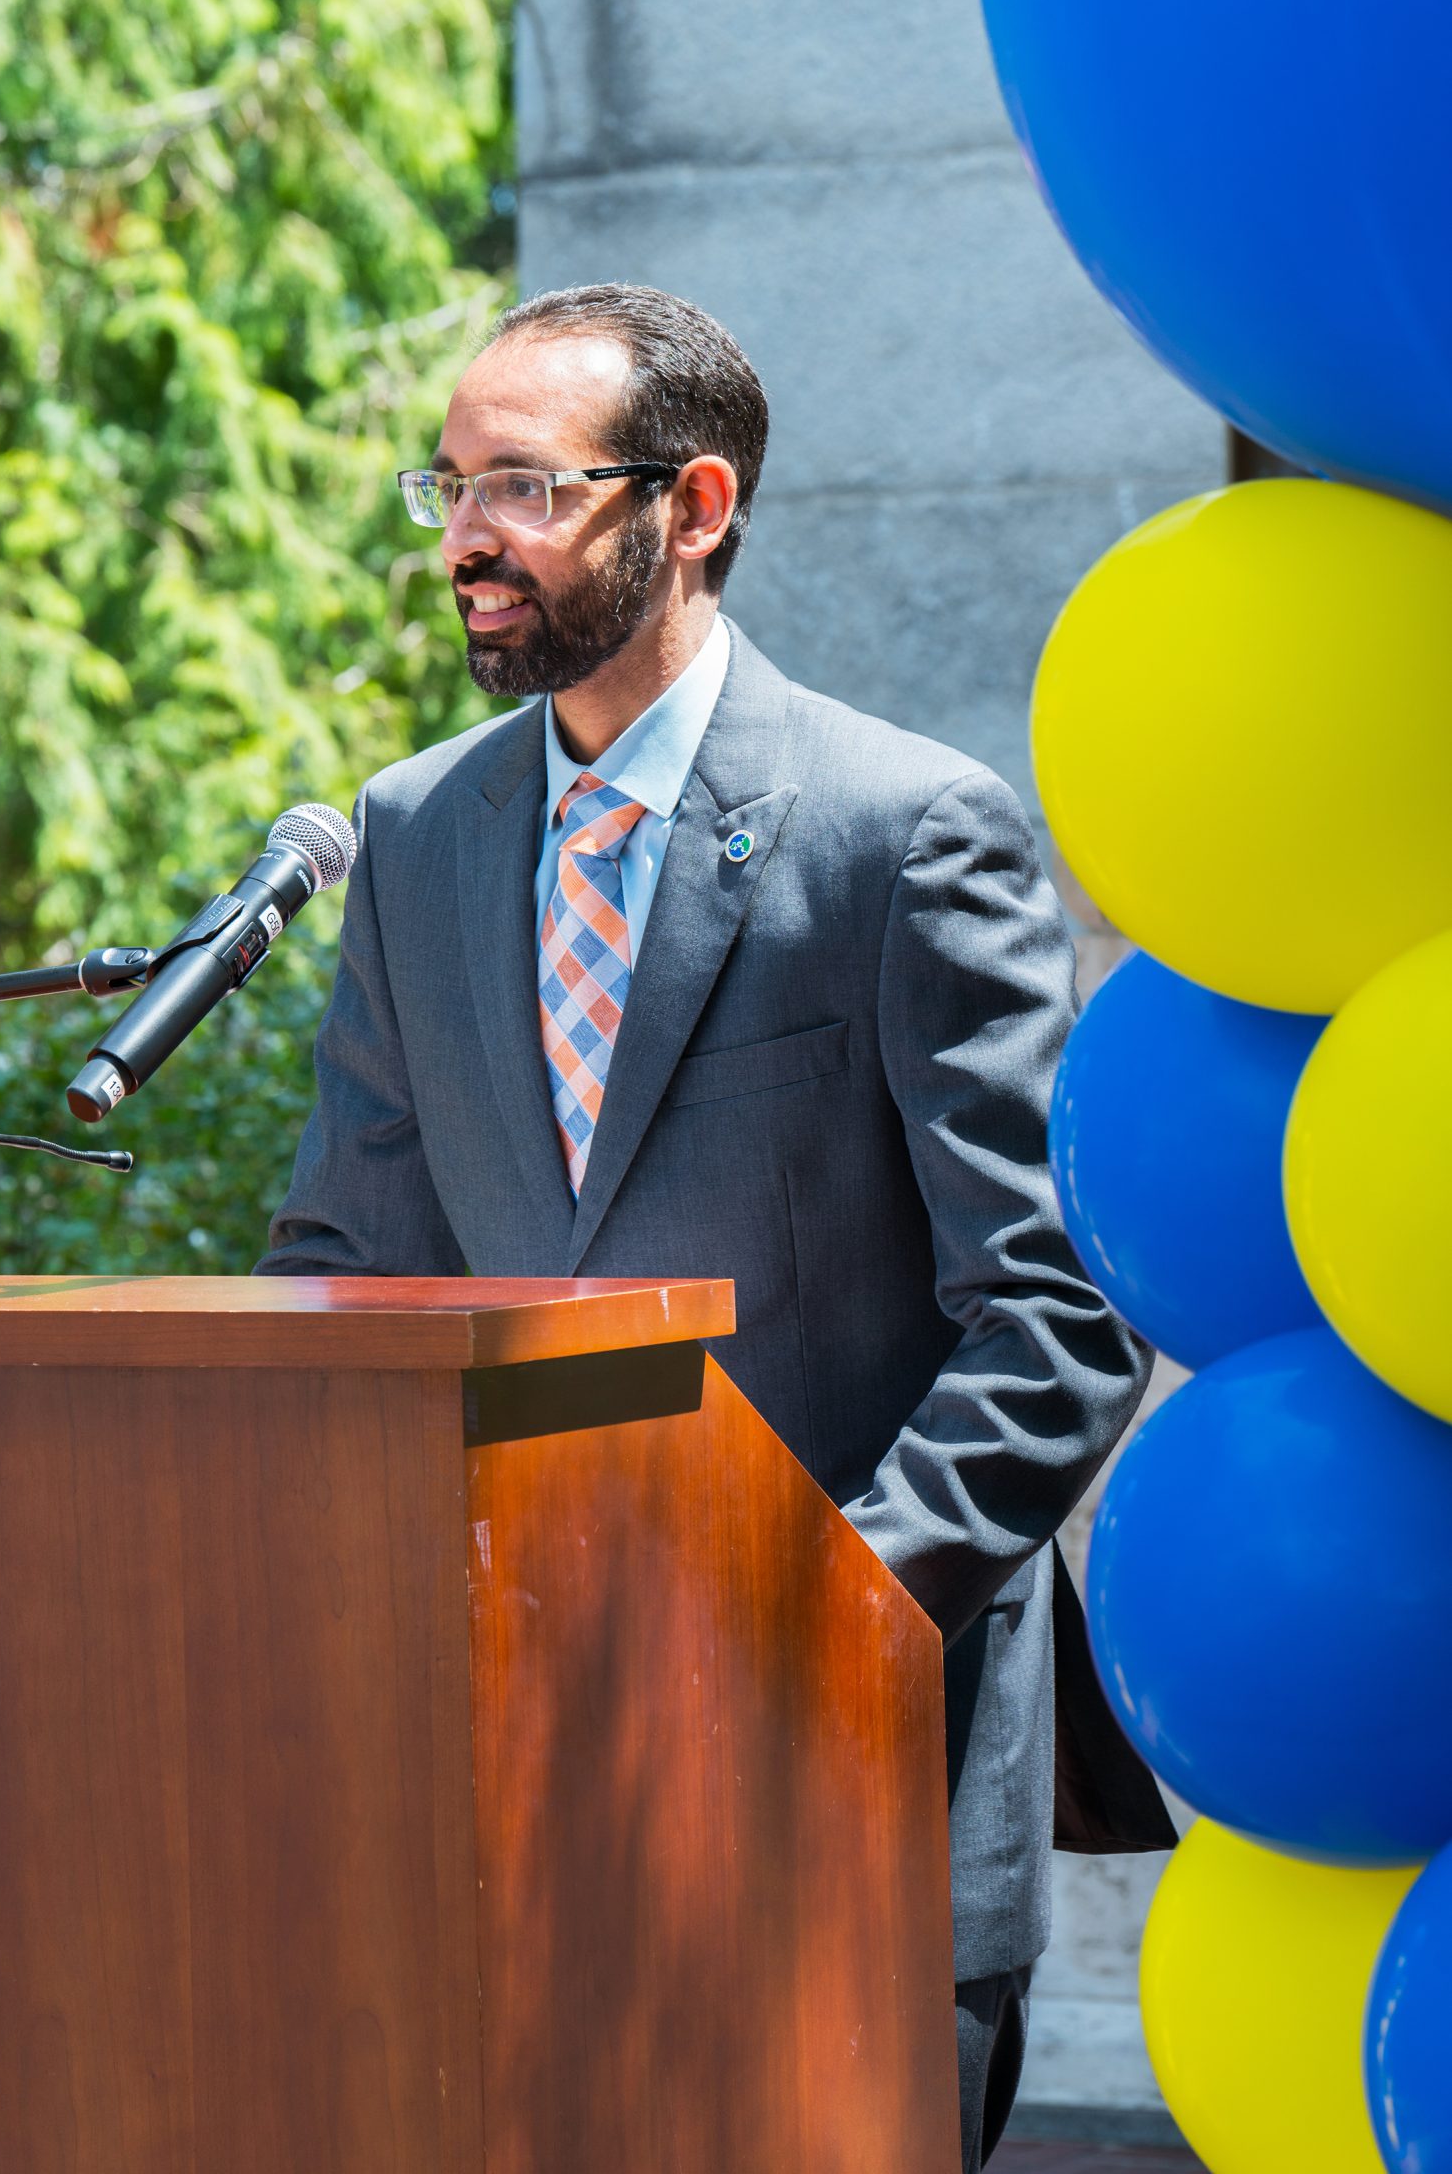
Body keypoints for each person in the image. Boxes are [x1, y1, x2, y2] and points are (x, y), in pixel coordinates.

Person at [259, 281, 1170, 2170]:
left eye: (519, 485)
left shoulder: (904, 835)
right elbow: (351, 1265)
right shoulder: (413, 838)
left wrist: (824, 1613)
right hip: (514, 1772)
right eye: (445, 486)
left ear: (693, 504)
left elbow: (1057, 1309)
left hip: (841, 1768)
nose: (463, 538)